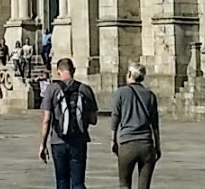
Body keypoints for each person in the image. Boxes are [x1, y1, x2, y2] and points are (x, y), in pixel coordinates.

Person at [38, 58, 98, 189]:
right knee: (78, 182)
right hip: (79, 140)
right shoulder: (85, 89)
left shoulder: (52, 89)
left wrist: (43, 144)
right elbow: (94, 119)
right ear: (74, 71)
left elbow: (46, 120)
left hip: (58, 141)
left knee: (62, 182)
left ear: (58, 71)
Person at [112, 63, 161, 189]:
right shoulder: (150, 95)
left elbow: (115, 118)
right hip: (146, 144)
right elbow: (155, 123)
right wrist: (157, 145)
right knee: (144, 186)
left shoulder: (121, 93)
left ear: (129, 75)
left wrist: (113, 140)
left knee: (124, 184)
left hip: (127, 144)